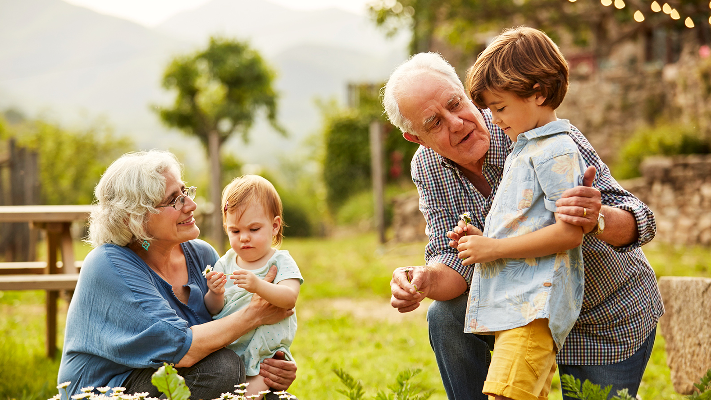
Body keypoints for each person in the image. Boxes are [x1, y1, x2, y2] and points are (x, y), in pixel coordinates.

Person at [382, 49, 664, 399]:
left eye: (455, 104)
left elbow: (641, 220)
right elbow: (453, 258)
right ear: (416, 138)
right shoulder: (427, 166)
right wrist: (424, 279)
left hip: (600, 312)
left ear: (466, 91)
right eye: (434, 123)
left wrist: (597, 218)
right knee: (445, 316)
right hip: (521, 312)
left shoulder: (535, 128)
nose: (456, 123)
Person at [57, 150, 298, 400]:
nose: (191, 205)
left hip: (182, 376)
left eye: (185, 192)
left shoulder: (203, 255)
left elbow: (228, 328)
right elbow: (183, 349)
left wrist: (272, 364)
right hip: (112, 389)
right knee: (222, 369)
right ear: (135, 218)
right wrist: (255, 314)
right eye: (174, 200)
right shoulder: (108, 264)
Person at [452, 26, 586, 400]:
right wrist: (481, 237)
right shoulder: (526, 148)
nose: (494, 119)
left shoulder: (556, 151)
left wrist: (492, 249)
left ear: (538, 93)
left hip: (533, 309)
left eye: (500, 107)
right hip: (517, 307)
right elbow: (529, 221)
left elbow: (569, 233)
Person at [205, 175, 302, 399]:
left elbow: (289, 298)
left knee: (246, 397)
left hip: (265, 357)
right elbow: (213, 310)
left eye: (254, 229)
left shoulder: (280, 262)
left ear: (275, 226)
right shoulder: (225, 262)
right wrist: (215, 293)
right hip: (229, 351)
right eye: (235, 231)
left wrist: (258, 285)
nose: (244, 238)